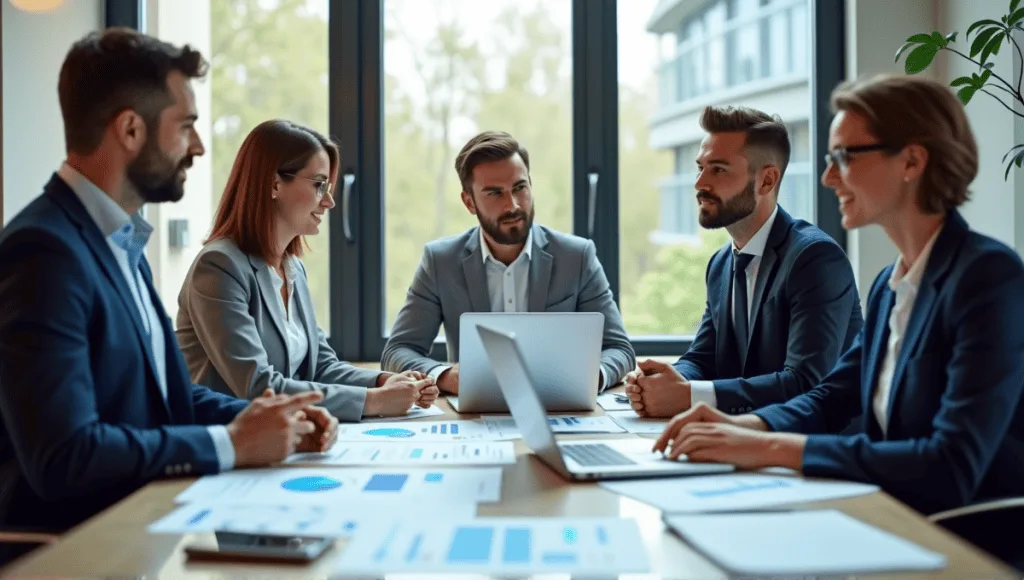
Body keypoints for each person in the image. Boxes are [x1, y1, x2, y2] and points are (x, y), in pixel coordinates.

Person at [0, 29, 337, 536]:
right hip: (78, 549)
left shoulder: (121, 242)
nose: (199, 146)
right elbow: (64, 456)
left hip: (147, 525)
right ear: (131, 130)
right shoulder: (43, 252)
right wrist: (231, 444)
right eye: (186, 126)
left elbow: (168, 397)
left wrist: (274, 419)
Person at [653, 74, 1024, 516]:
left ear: (911, 161)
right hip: (885, 512)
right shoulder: (892, 285)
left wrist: (768, 446)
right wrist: (741, 427)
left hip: (967, 539)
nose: (829, 177)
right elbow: (831, 397)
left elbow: (951, 466)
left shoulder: (988, 278)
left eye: (845, 157)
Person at [176, 120, 438, 421]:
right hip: (229, 443)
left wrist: (384, 382)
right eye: (319, 185)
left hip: (281, 440)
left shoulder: (292, 268)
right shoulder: (219, 268)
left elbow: (320, 366)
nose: (329, 201)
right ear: (274, 185)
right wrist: (374, 401)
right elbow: (258, 387)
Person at [625, 106, 862, 418]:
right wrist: (660, 380)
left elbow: (805, 382)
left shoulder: (815, 259)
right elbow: (704, 357)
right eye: (700, 168)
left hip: (814, 452)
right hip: (740, 442)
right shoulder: (721, 264)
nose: (699, 184)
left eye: (718, 170)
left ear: (766, 181)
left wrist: (688, 395)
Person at [381, 130, 635, 394]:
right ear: (469, 202)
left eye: (519, 188)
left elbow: (619, 349)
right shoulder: (440, 261)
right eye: (494, 193)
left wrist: (592, 377)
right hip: (475, 415)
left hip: (560, 405)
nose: (512, 205)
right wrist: (445, 376)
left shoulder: (577, 257)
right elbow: (397, 351)